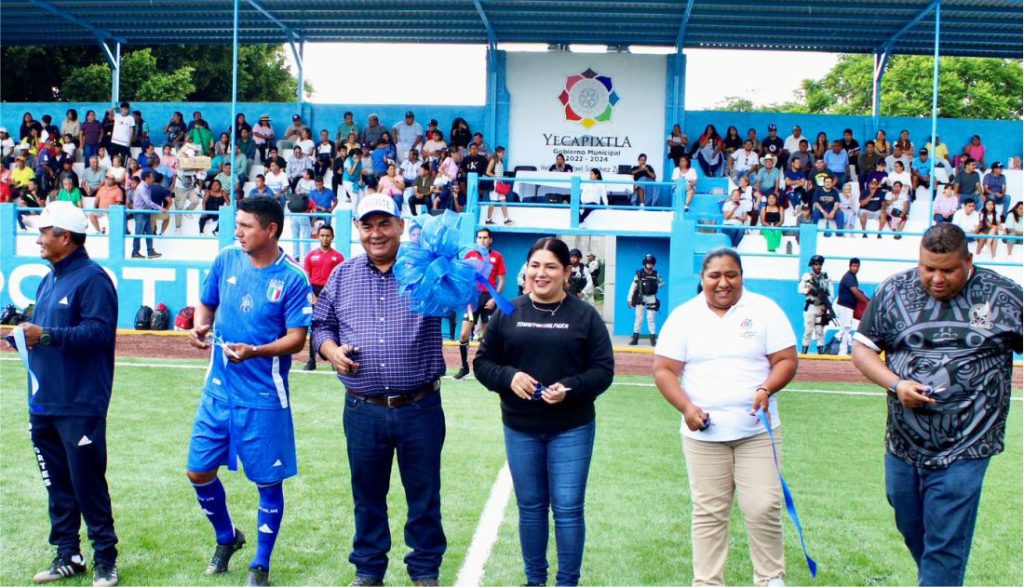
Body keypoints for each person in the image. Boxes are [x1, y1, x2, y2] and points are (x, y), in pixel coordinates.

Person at [851, 223, 1022, 586]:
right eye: (928, 268)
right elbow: (863, 348)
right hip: (903, 443)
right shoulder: (895, 290)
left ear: (968, 261)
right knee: (913, 527)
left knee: (944, 543)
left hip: (969, 445)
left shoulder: (1002, 296)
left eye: (948, 270)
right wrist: (896, 385)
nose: (936, 278)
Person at [311, 194, 447, 586]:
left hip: (419, 406)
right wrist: (332, 351)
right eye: (367, 225)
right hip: (363, 409)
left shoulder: (425, 272)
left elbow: (460, 296)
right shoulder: (342, 275)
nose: (376, 233)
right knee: (367, 495)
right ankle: (369, 570)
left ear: (401, 226)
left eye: (384, 223)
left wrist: (449, 269)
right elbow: (321, 325)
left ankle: (424, 571)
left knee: (424, 495)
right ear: (357, 230)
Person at [473, 237, 614, 587]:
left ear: (566, 271)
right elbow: (483, 363)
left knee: (567, 509)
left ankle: (567, 582)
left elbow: (603, 369)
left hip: (572, 427)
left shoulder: (585, 315)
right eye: (535, 265)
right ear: (526, 269)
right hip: (521, 427)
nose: (541, 273)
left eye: (551, 266)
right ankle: (534, 581)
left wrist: (570, 387)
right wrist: (509, 376)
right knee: (532, 508)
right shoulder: (509, 310)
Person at [653, 248, 798, 587]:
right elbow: (664, 370)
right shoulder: (684, 317)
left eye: (731, 274)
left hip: (757, 431)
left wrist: (766, 389)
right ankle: (707, 581)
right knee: (709, 513)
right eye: (714, 275)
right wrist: (687, 408)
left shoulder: (765, 310)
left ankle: (770, 577)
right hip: (703, 435)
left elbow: (786, 360)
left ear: (741, 277)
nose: (723, 282)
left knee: (763, 505)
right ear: (702, 279)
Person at [9, 202, 120, 587]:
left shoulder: (93, 279)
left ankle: (106, 559)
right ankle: (68, 554)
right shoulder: (49, 278)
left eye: (45, 232)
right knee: (56, 483)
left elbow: (100, 333)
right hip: (44, 400)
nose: (39, 238)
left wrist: (47, 336)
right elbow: (47, 332)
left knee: (87, 482)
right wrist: (25, 337)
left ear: (66, 238)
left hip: (79, 401)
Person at [454, 228, 507, 380]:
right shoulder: (470, 255)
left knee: (486, 337)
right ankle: (464, 367)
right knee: (464, 334)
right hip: (472, 301)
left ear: (490, 240)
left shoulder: (497, 256)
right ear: (476, 240)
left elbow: (502, 280)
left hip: (488, 299)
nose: (482, 240)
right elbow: (464, 277)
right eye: (479, 238)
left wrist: (495, 299)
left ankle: (488, 368)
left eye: (485, 238)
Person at [302, 224, 345, 371]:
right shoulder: (310, 256)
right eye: (322, 235)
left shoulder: (338, 257)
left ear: (332, 237)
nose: (325, 238)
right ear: (318, 236)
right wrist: (313, 297)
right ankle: (311, 361)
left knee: (335, 327)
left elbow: (340, 279)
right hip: (314, 292)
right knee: (314, 329)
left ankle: (335, 360)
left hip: (331, 292)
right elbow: (306, 279)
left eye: (328, 236)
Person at [798, 255, 832, 354]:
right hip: (811, 306)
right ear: (812, 265)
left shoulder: (826, 277)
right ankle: (804, 351)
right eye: (816, 264)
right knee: (808, 330)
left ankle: (820, 351)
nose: (818, 266)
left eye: (820, 264)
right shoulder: (807, 276)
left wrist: (827, 307)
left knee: (820, 331)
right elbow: (800, 289)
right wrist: (809, 290)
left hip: (821, 306)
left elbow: (830, 293)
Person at [627, 253, 664, 346]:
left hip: (652, 297)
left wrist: (657, 286)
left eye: (651, 263)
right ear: (645, 263)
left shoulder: (656, 274)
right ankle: (635, 339)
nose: (650, 265)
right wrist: (629, 299)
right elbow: (633, 286)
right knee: (639, 318)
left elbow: (662, 282)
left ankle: (652, 339)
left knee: (651, 318)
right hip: (641, 297)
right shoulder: (640, 274)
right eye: (648, 263)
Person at [835, 258, 869, 355]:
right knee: (845, 328)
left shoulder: (853, 277)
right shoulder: (849, 277)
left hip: (848, 307)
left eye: (857, 266)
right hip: (845, 306)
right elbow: (855, 292)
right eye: (854, 266)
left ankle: (843, 349)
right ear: (850, 266)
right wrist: (866, 302)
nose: (856, 268)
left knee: (846, 328)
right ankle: (842, 350)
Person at [129, 174, 162, 259]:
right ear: (147, 178)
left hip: (145, 212)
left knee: (149, 233)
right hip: (140, 213)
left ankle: (150, 251)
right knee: (138, 232)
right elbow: (148, 201)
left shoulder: (146, 187)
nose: (153, 178)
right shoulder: (142, 188)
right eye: (152, 177)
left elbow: (148, 202)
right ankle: (135, 252)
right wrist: (160, 208)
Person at [484, 146, 512, 225]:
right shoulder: (493, 160)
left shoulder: (500, 160)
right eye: (502, 152)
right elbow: (488, 171)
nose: (503, 154)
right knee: (493, 201)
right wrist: (496, 177)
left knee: (503, 199)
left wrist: (502, 178)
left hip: (500, 182)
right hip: (495, 183)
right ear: (498, 152)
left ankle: (506, 219)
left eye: (503, 152)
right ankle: (488, 219)